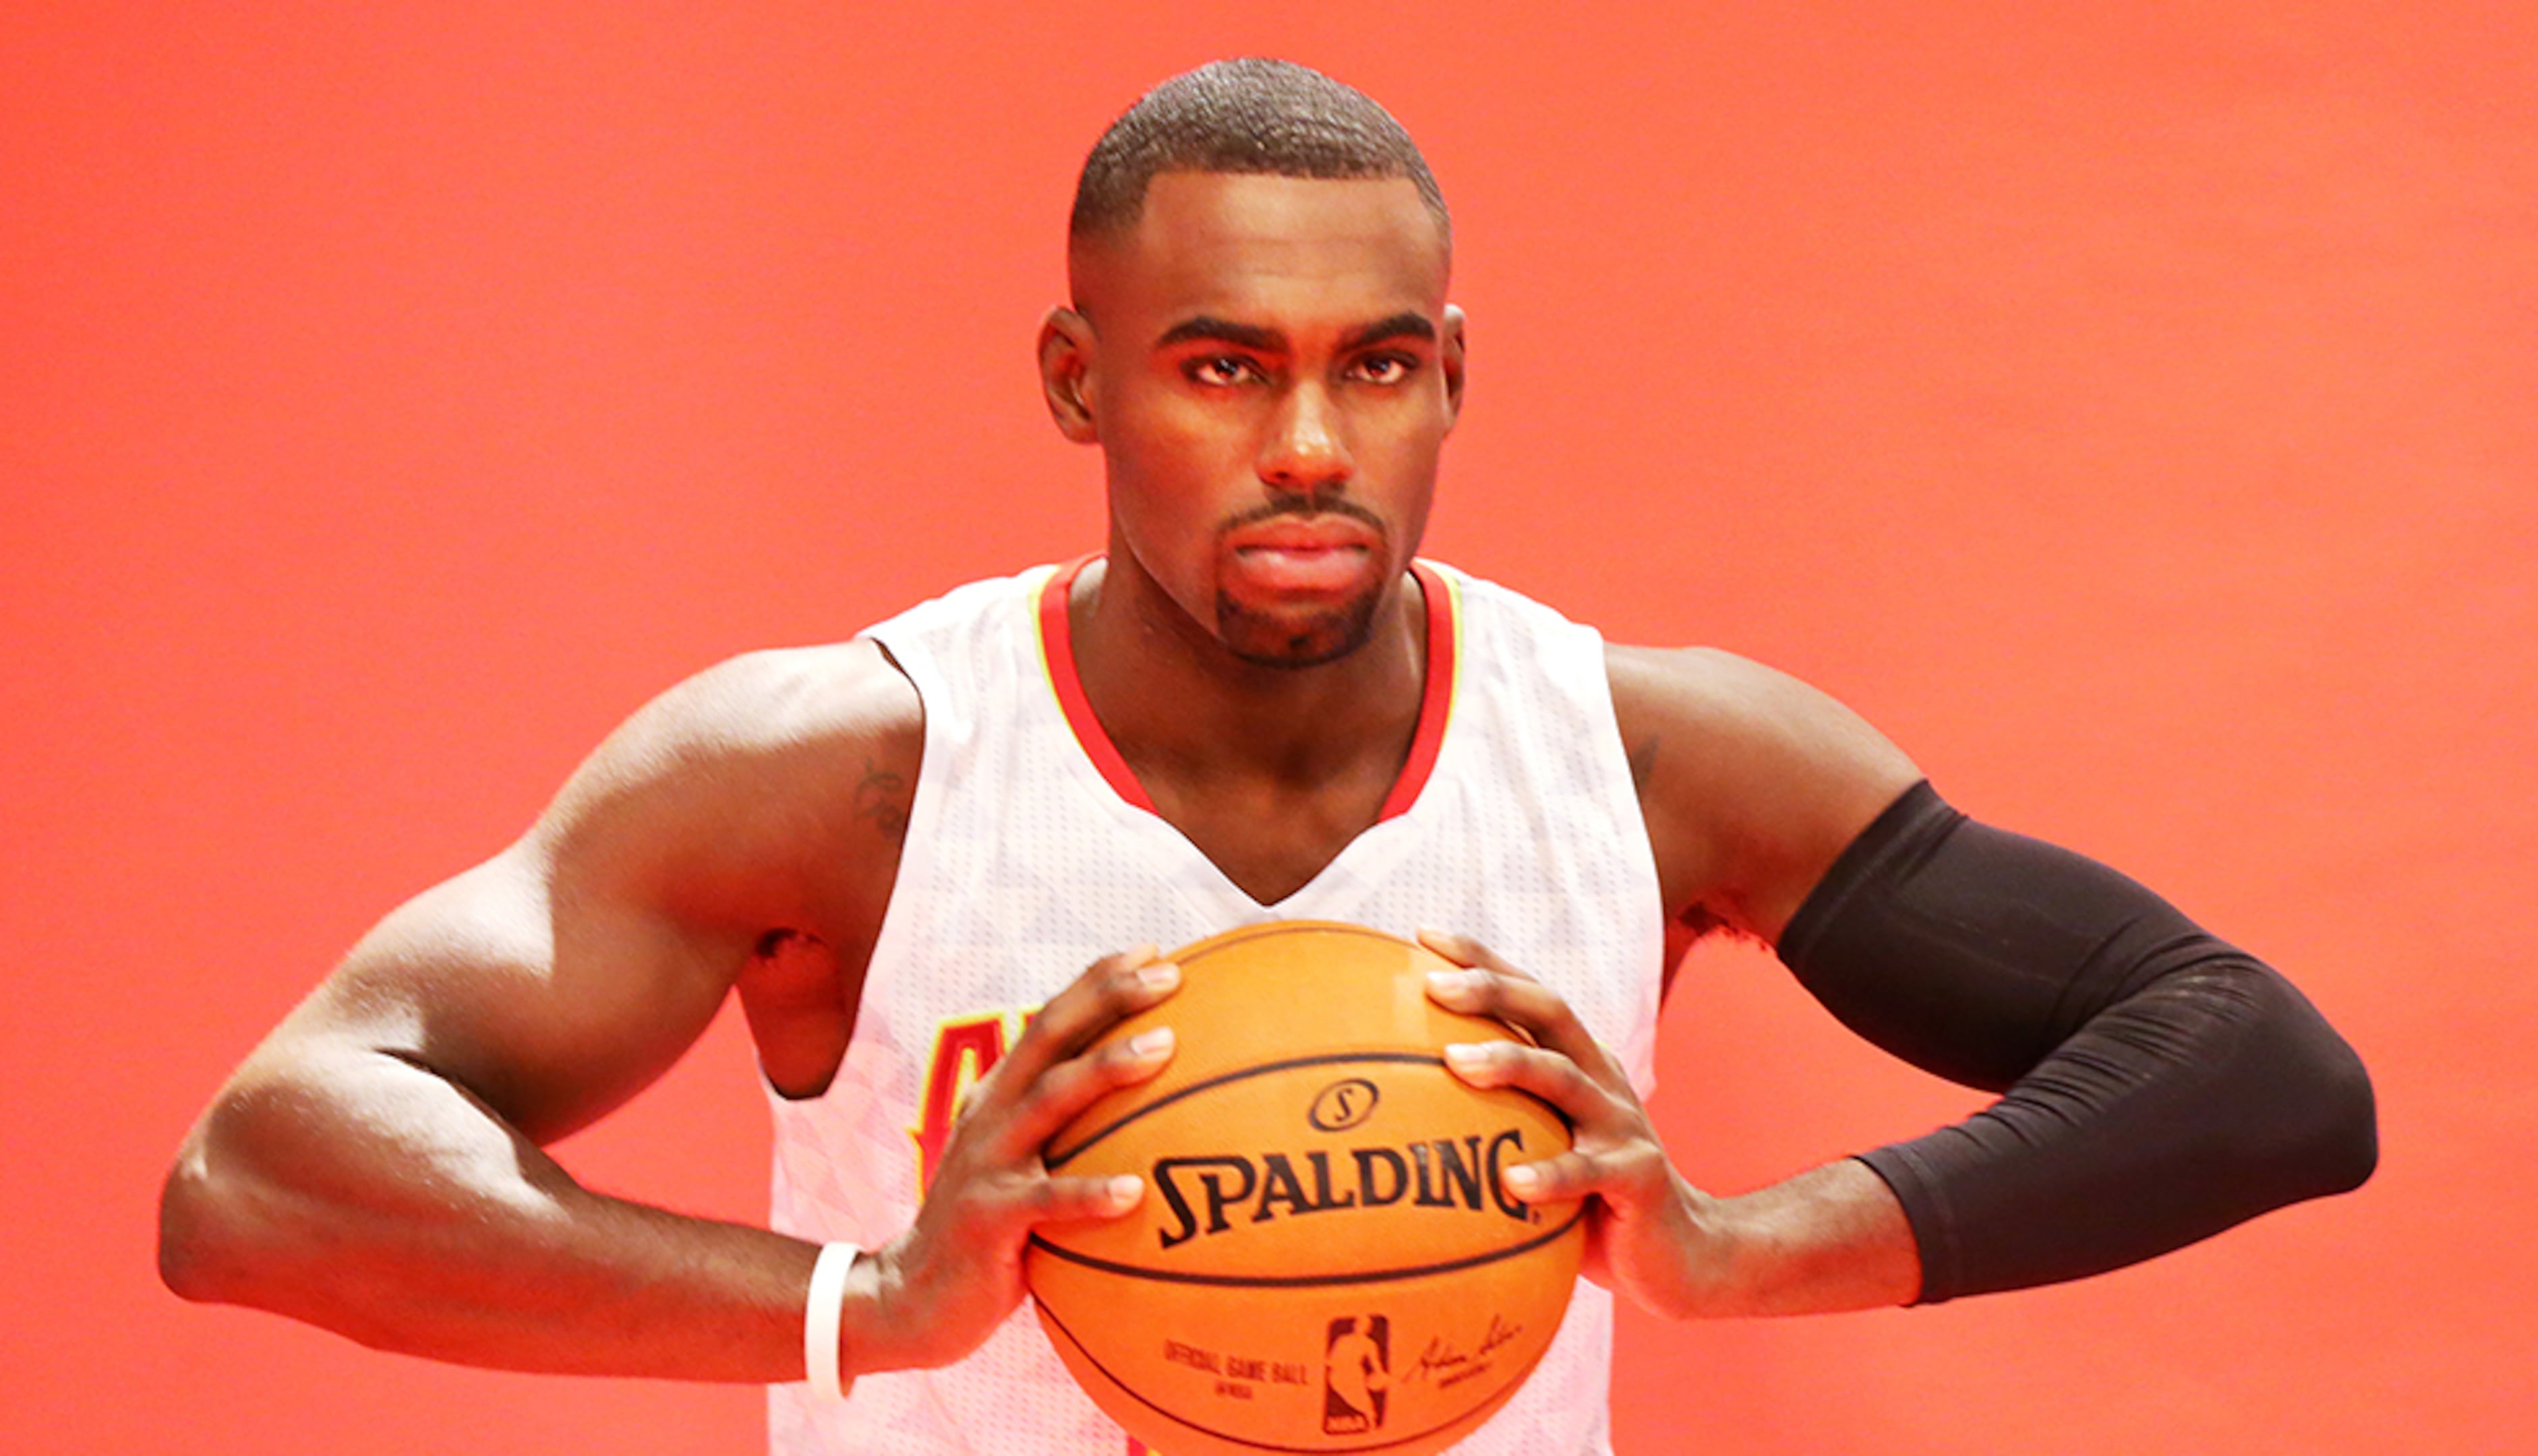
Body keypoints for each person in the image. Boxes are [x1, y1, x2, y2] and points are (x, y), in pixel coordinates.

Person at [158, 58, 2376, 1456]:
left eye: (1379, 367)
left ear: (1452, 376)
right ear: (1075, 375)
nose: (1311, 446)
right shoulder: (847, 774)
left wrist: (1742, 1246)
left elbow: (2265, 1070)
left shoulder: (1647, 754)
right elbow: (260, 1181)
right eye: (1221, 366)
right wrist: (875, 1307)